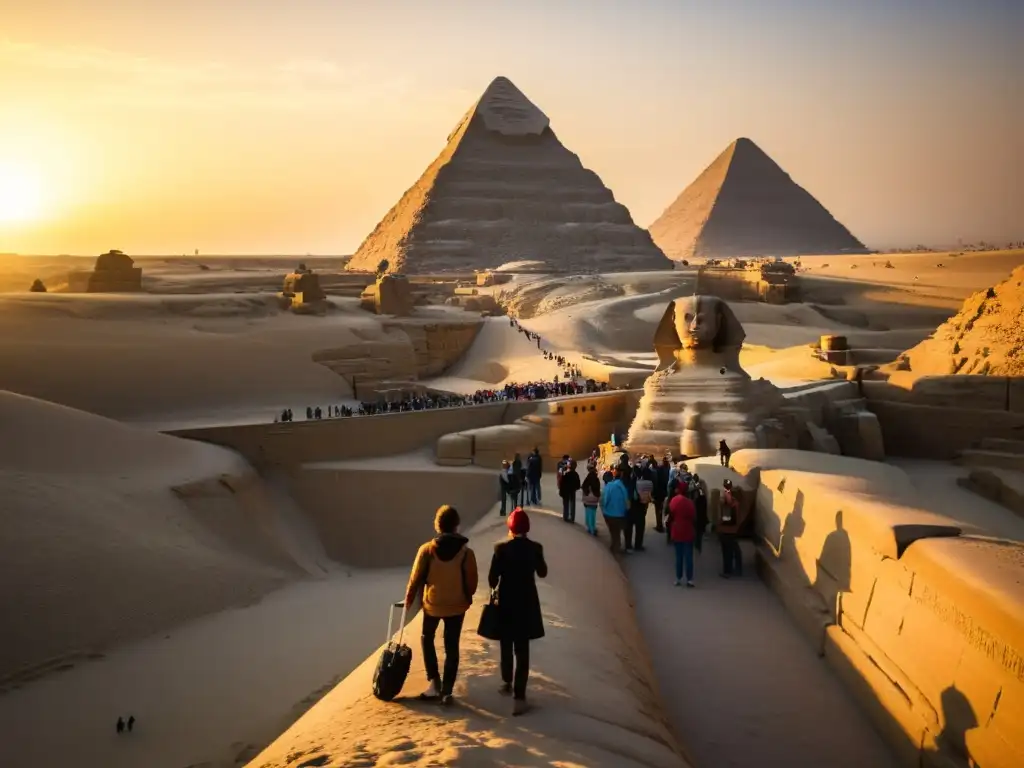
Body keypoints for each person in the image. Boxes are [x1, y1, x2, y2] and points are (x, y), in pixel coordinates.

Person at [404, 505, 479, 705]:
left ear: (437, 525)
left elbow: (414, 580)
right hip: (457, 606)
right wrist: (466, 596)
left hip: (433, 605)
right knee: (451, 645)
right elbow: (472, 582)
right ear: (456, 526)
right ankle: (447, 691)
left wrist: (409, 601)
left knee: (427, 638)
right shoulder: (466, 553)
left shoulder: (427, 550)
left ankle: (433, 682)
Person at [488, 507, 547, 716]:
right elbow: (543, 572)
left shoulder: (500, 549)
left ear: (510, 528)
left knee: (506, 644)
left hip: (506, 602)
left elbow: (492, 579)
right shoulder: (535, 548)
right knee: (522, 650)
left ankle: (506, 683)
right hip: (527, 603)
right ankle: (519, 698)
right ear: (527, 528)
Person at [666, 482, 696, 587]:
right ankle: (690, 579)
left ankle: (678, 578)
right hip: (688, 530)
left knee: (678, 556)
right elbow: (693, 516)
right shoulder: (690, 503)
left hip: (677, 530)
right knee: (688, 556)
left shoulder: (674, 500)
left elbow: (671, 513)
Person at [600, 466, 629, 554]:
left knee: (613, 531)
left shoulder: (608, 487)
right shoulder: (621, 485)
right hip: (620, 514)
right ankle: (616, 546)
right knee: (617, 532)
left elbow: (605, 500)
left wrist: (603, 508)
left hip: (609, 514)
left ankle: (615, 548)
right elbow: (626, 499)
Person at [718, 479, 743, 577]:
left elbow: (719, 515)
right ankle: (736, 569)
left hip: (724, 529)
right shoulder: (736, 501)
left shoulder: (723, 498)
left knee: (726, 551)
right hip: (733, 529)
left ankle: (727, 571)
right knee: (733, 549)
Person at [581, 463, 602, 536]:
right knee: (593, 514)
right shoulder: (596, 479)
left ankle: (589, 527)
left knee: (588, 513)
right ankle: (593, 528)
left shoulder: (588, 478)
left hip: (587, 499)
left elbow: (583, 487)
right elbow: (598, 489)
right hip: (594, 499)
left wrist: (586, 493)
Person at [559, 459, 581, 523]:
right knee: (572, 504)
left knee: (566, 504)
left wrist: (561, 491)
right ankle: (572, 518)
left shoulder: (567, 474)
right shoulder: (576, 474)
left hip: (566, 491)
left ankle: (565, 516)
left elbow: (562, 483)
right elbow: (578, 485)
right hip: (572, 491)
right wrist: (575, 488)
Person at [691, 473, 709, 554]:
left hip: (698, 514)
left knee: (698, 530)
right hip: (699, 514)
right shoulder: (696, 486)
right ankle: (697, 544)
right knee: (698, 530)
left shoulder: (699, 487)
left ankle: (697, 544)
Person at [653, 456, 671, 533]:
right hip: (665, 493)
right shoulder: (668, 470)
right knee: (665, 510)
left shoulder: (659, 471)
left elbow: (655, 483)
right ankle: (664, 525)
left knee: (658, 510)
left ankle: (659, 526)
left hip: (658, 494)